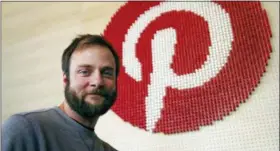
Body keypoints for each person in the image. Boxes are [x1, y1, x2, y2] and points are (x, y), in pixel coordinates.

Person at [2, 34, 120, 151]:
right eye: (84, 72)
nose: (97, 81)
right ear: (66, 79)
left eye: (107, 73)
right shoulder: (24, 129)